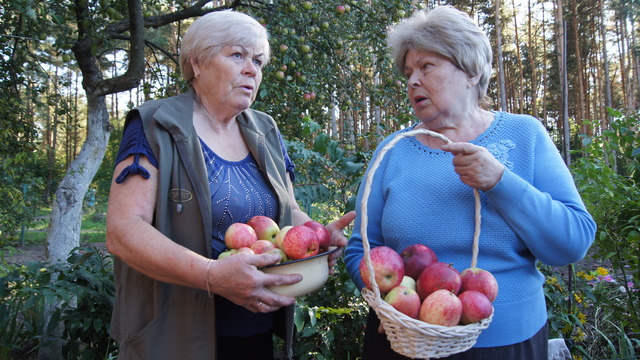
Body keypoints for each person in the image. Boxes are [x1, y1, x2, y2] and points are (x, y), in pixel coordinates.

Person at [344, 6, 596, 360]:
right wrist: (388, 304)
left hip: (506, 343)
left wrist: (500, 182)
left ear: (472, 71)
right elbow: (361, 249)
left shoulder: (524, 135)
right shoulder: (393, 151)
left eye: (426, 66)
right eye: (408, 71)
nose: (413, 80)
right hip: (406, 340)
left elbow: (572, 243)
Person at [105, 10, 355, 360]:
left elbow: (289, 212)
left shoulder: (266, 130)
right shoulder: (154, 125)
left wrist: (316, 236)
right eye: (237, 55)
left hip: (256, 331)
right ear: (197, 63)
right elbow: (123, 230)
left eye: (258, 60)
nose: (252, 69)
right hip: (174, 337)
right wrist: (211, 275)